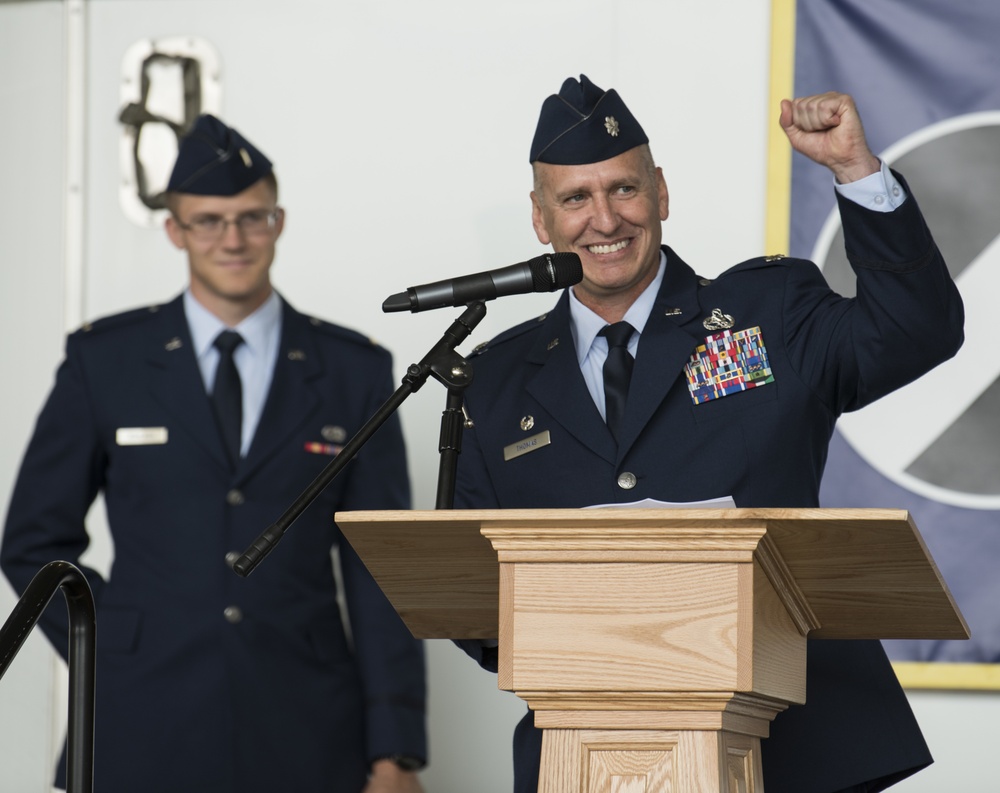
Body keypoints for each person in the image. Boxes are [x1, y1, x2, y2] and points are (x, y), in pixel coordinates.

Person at [453, 75, 964, 793]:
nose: (604, 219)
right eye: (575, 198)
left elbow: (918, 332)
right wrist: (622, 642)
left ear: (661, 192)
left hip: (801, 750)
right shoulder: (493, 380)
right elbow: (474, 602)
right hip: (586, 759)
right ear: (542, 221)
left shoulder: (769, 310)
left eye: (623, 190)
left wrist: (856, 171)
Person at [1, 115, 427, 793]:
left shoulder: (353, 370)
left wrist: (395, 751)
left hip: (307, 721)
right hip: (139, 717)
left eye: (252, 217)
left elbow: (381, 571)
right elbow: (30, 540)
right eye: (209, 220)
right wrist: (108, 641)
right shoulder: (105, 361)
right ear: (175, 230)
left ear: (279, 221)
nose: (233, 239)